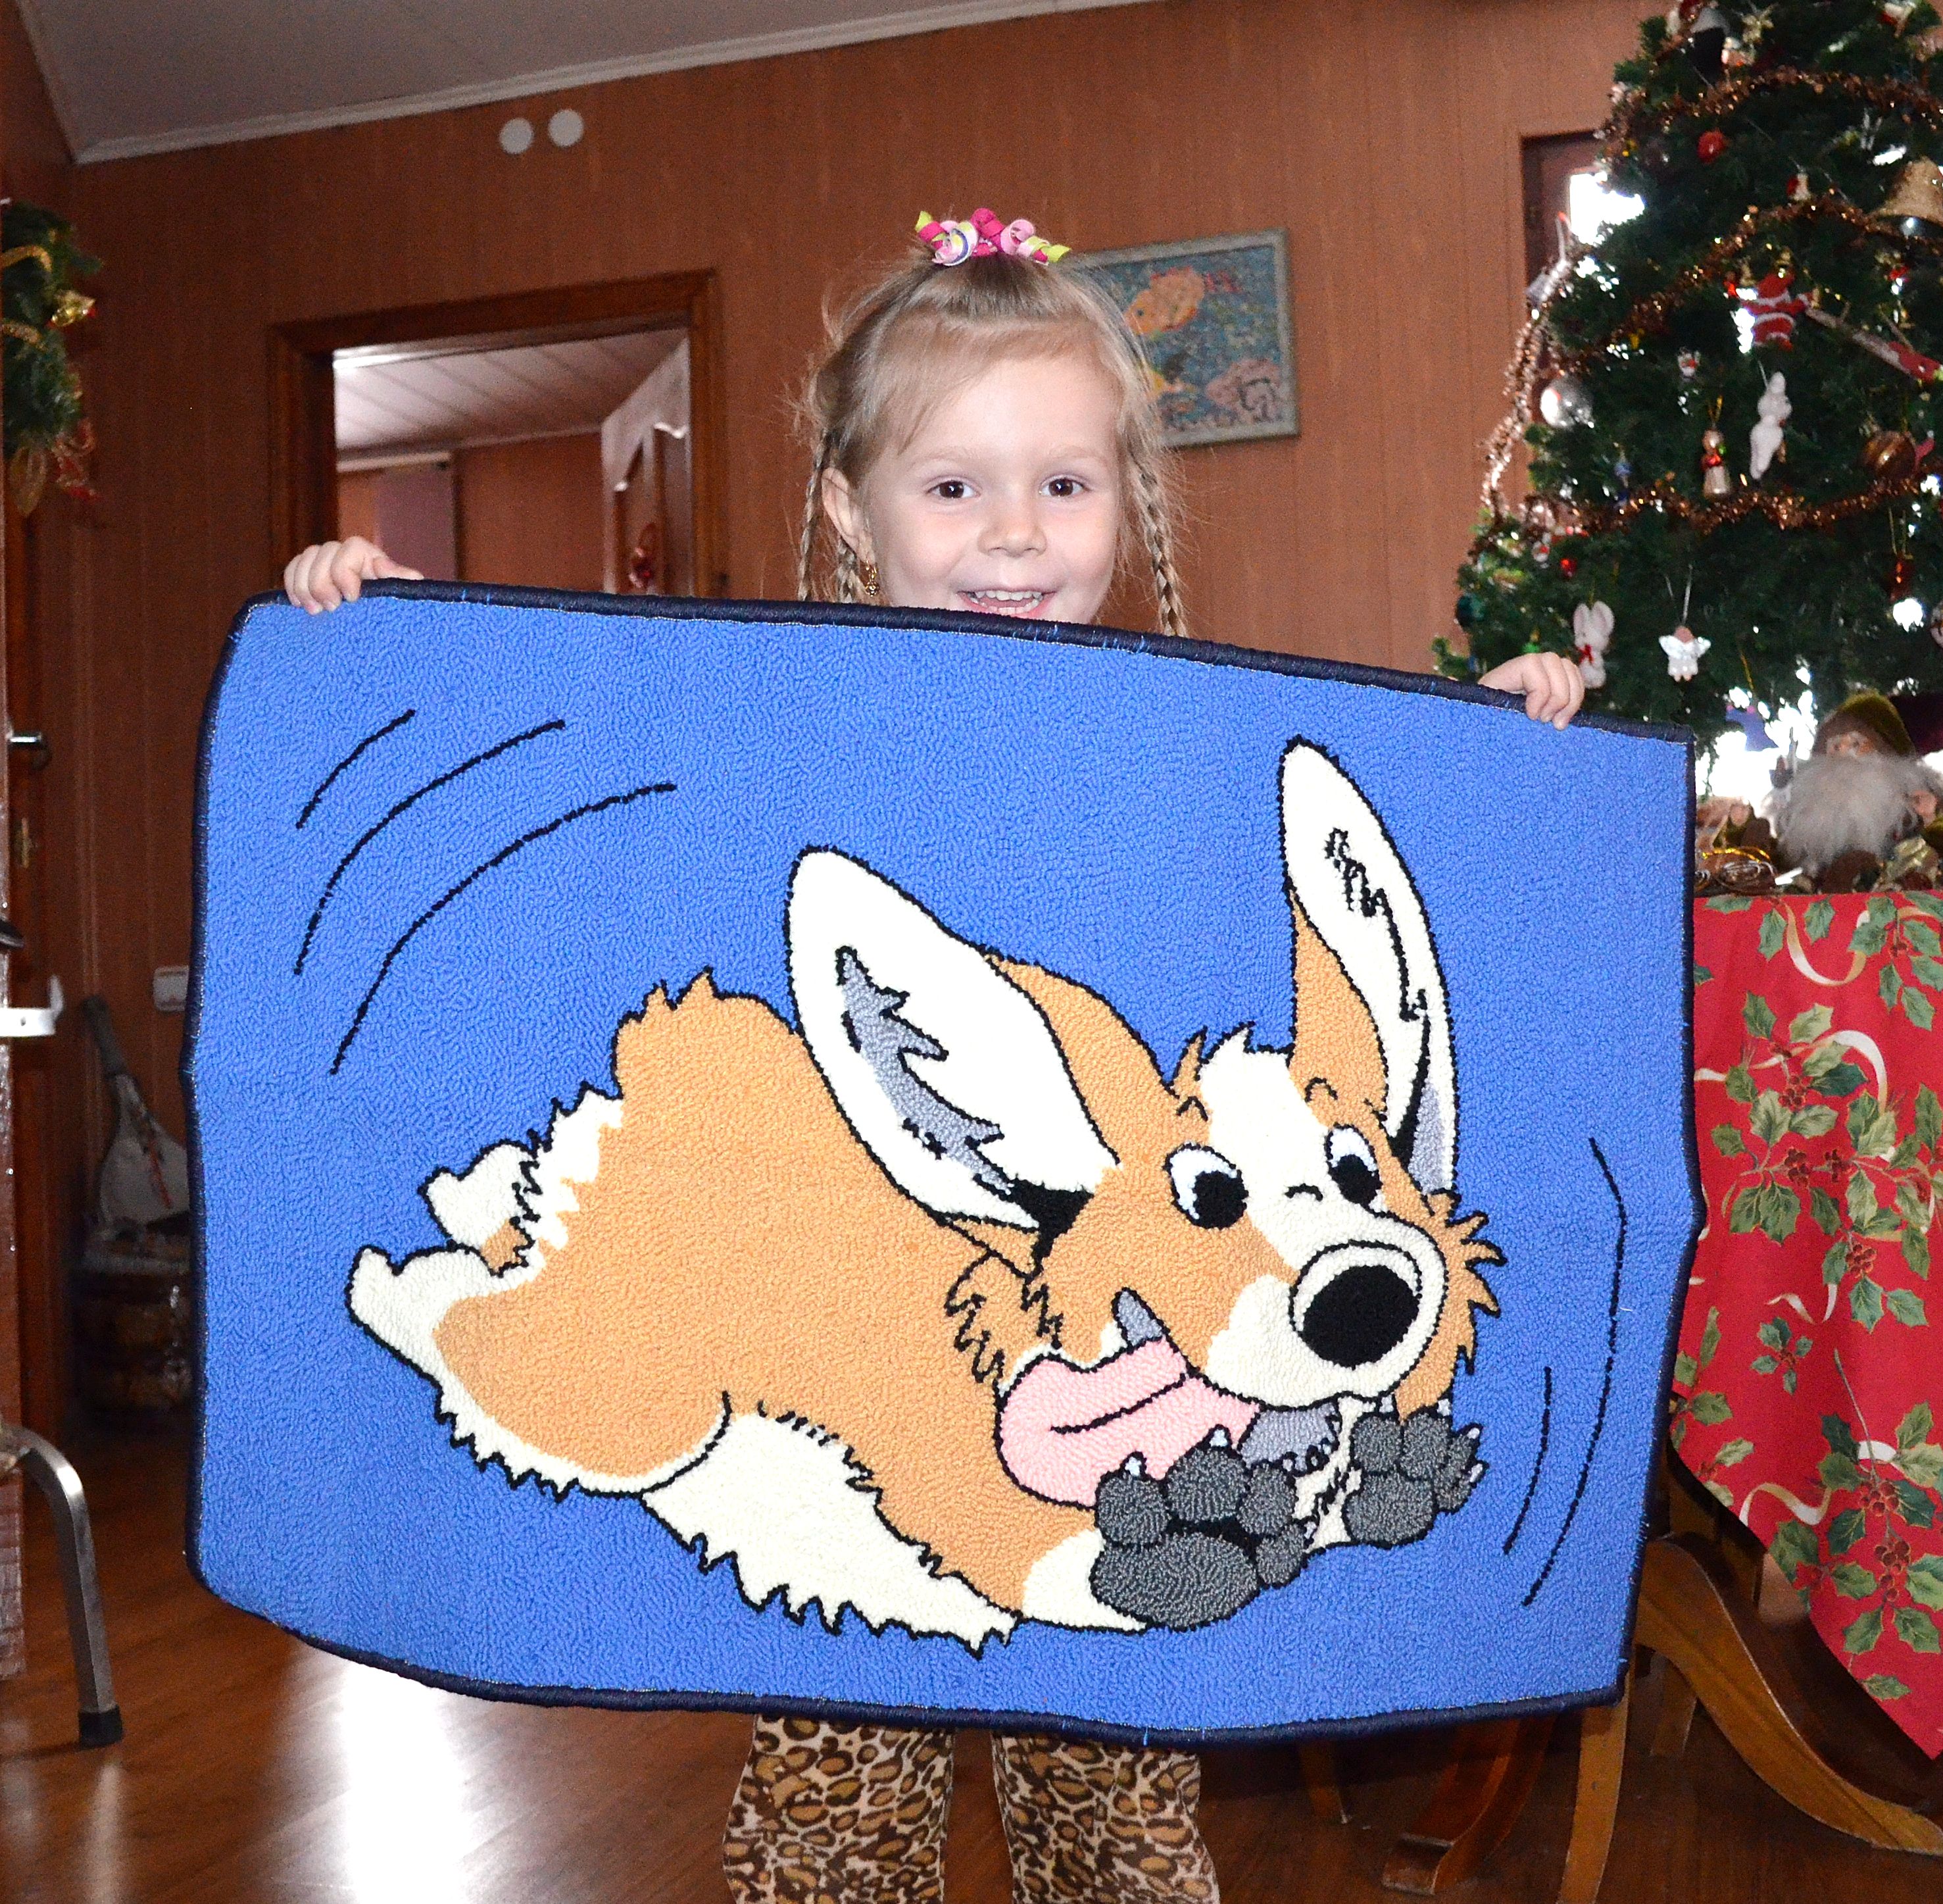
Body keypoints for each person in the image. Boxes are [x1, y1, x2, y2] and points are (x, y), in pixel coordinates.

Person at [283, 206, 1584, 1903]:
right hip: (852, 1379)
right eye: (955, 484)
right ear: (852, 508)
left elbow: (1360, 881)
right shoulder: (767, 722)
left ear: (1133, 500)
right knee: (835, 1813)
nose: (1015, 532)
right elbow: (594, 827)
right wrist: (392, 636)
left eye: (1066, 482)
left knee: (1121, 1807)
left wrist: (1503, 752)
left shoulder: (1181, 745)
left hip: (1125, 1390)